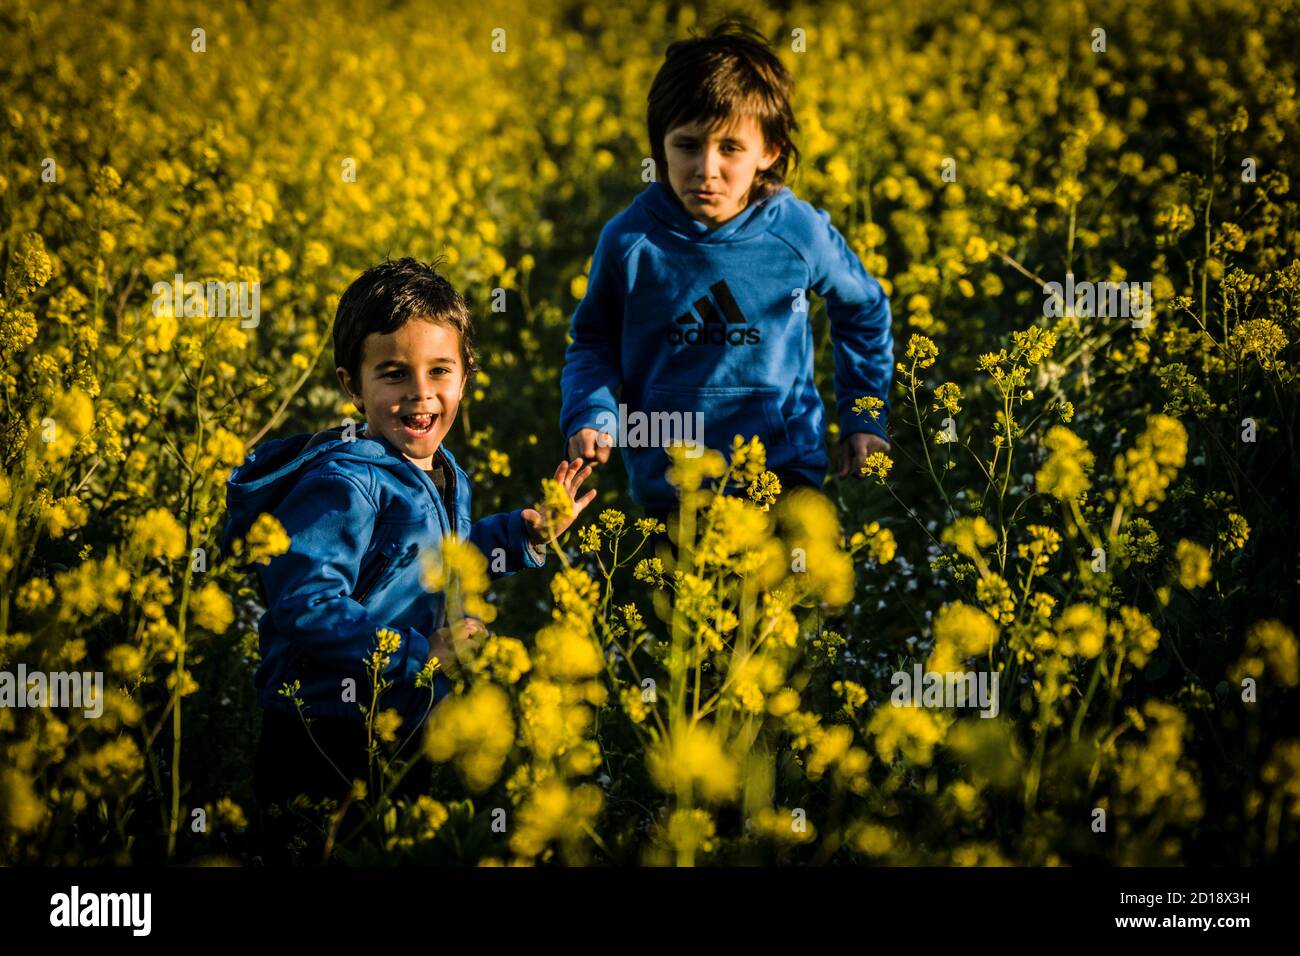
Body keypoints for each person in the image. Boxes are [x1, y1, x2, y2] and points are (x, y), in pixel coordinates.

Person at [222, 256, 595, 862]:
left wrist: (521, 536)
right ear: (352, 383)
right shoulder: (346, 484)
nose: (420, 395)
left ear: (467, 374)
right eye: (393, 374)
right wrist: (424, 653)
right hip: (325, 725)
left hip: (402, 711)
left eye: (439, 371)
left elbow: (440, 559)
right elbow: (306, 604)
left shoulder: (439, 472)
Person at [559, 17, 894, 531]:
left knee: (790, 607)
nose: (706, 168)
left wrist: (863, 415)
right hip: (672, 487)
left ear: (769, 151)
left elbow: (863, 308)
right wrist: (592, 414)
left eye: (730, 148)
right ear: (660, 146)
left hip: (784, 473)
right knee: (684, 612)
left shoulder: (796, 232)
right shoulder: (631, 241)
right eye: (687, 145)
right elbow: (594, 340)